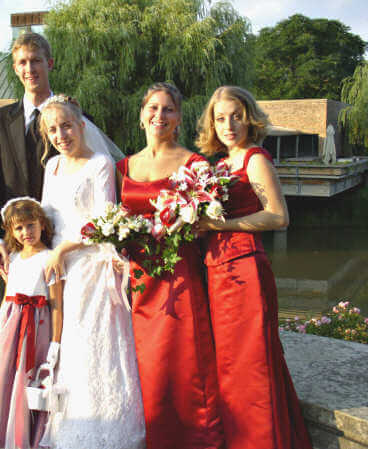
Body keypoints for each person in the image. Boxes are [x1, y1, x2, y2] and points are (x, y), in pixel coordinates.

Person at [196, 86, 313, 449]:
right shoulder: (219, 165)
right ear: (211, 125)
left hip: (245, 273)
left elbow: (279, 216)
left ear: (249, 117)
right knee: (229, 369)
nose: (228, 125)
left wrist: (219, 226)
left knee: (252, 366)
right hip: (218, 272)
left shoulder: (254, 159)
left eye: (235, 116)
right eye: (220, 118)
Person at [116, 82, 224, 449]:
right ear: (141, 114)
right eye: (152, 108)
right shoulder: (123, 166)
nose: (159, 116)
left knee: (182, 360)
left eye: (168, 110)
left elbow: (208, 226)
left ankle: (196, 438)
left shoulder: (194, 164)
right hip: (136, 278)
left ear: (179, 118)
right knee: (144, 363)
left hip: (179, 276)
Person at [39, 95, 145, 449]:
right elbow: (46, 216)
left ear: (81, 126)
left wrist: (65, 249)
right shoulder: (51, 167)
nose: (60, 134)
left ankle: (110, 428)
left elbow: (103, 221)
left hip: (90, 263)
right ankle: (71, 422)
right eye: (52, 129)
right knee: (66, 344)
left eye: (66, 126)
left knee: (94, 343)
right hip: (58, 266)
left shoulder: (99, 163)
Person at [0, 198, 63, 449]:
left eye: (30, 225)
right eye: (19, 228)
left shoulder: (50, 259)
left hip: (38, 325)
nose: (26, 232)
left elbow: (56, 304)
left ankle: (30, 436)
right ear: (11, 232)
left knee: (32, 381)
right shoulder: (13, 258)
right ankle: (2, 433)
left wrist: (55, 343)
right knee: (6, 379)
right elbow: (7, 297)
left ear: (42, 225)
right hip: (12, 326)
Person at [0, 32, 57, 286]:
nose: (29, 68)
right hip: (13, 250)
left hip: (61, 248)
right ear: (15, 68)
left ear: (50, 63)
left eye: (36, 60)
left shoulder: (77, 118)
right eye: (22, 62)